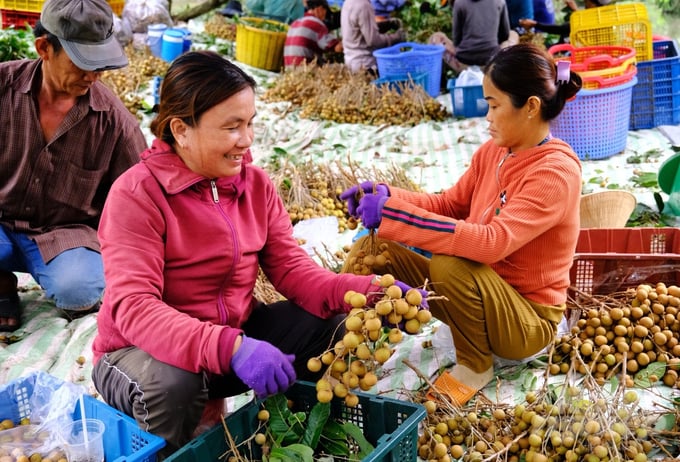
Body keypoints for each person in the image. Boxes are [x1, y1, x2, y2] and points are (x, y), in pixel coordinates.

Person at [90, 50, 425, 456]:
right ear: (181, 129)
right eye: (232, 128)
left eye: (249, 124)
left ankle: (289, 434)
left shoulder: (255, 185)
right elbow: (135, 307)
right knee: (171, 384)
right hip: (141, 354)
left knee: (335, 329)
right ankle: (173, 451)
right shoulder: (137, 195)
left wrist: (368, 292)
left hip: (229, 346)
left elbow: (293, 271)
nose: (246, 141)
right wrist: (232, 348)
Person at [340, 43, 582, 405]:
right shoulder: (494, 153)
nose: (487, 115)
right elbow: (449, 204)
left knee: (450, 260)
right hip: (480, 295)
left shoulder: (555, 173)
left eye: (494, 105)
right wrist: (388, 194)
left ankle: (475, 364)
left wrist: (392, 213)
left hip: (526, 322)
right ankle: (339, 339)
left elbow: (491, 242)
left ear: (531, 107)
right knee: (373, 249)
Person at [0, 0, 147, 332]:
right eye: (82, 64)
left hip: (63, 238)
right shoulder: (3, 87)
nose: (93, 76)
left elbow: (142, 202)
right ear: (44, 48)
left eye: (100, 65)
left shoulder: (115, 124)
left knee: (77, 290)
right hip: (1, 223)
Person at [428, 0, 517, 73]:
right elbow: (504, 35)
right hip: (493, 60)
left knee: (436, 37)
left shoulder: (459, 3)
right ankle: (499, 65)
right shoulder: (499, 1)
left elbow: (457, 39)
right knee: (513, 34)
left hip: (465, 62)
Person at [340, 0, 406, 73]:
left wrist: (385, 25)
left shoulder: (348, 2)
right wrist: (396, 37)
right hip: (365, 65)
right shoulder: (363, 5)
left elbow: (358, 30)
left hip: (351, 62)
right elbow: (374, 41)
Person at [519, 0, 609, 44]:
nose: (585, 3)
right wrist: (575, 10)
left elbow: (561, 29)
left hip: (569, 53)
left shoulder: (591, 20)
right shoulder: (605, 18)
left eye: (587, 2)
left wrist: (535, 24)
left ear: (593, 5)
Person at [283, 0, 342, 67]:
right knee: (340, 67)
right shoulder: (316, 23)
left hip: (289, 70)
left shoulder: (295, 23)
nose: (325, 17)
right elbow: (337, 48)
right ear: (319, 9)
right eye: (325, 11)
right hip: (304, 71)